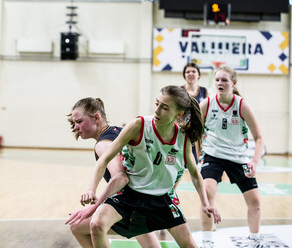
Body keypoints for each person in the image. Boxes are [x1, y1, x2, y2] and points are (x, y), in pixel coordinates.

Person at [66, 86, 221, 248]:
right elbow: (104, 161)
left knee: (189, 245)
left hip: (161, 198)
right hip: (131, 196)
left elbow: (195, 173)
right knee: (96, 224)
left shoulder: (182, 138)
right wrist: (91, 190)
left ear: (179, 114)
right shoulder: (138, 125)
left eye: (164, 107)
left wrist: (205, 203)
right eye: (156, 103)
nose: (157, 110)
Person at [66, 97, 161, 248]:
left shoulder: (102, 144)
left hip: (130, 204)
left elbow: (120, 177)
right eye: (74, 123)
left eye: (79, 121)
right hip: (147, 199)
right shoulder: (118, 131)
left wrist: (95, 205)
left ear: (96, 117)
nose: (75, 127)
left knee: (77, 226)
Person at [199, 66, 265, 248]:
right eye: (217, 80)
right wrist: (197, 149)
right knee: (208, 194)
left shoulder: (242, 104)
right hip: (213, 154)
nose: (220, 83)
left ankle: (255, 240)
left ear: (233, 84)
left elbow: (259, 137)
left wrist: (254, 162)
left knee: (255, 202)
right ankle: (207, 242)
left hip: (238, 156)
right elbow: (194, 131)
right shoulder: (206, 103)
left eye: (224, 80)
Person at [181, 62, 209, 165]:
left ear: (199, 75)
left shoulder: (205, 92)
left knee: (198, 166)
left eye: (193, 71)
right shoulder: (179, 91)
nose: (190, 73)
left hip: (198, 135)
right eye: (187, 72)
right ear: (184, 75)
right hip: (183, 134)